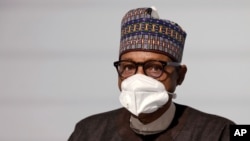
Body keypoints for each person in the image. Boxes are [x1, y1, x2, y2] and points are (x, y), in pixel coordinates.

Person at [68, 7, 235, 141]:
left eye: (155, 67)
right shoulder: (89, 132)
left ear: (180, 75)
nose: (138, 78)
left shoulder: (220, 131)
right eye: (128, 67)